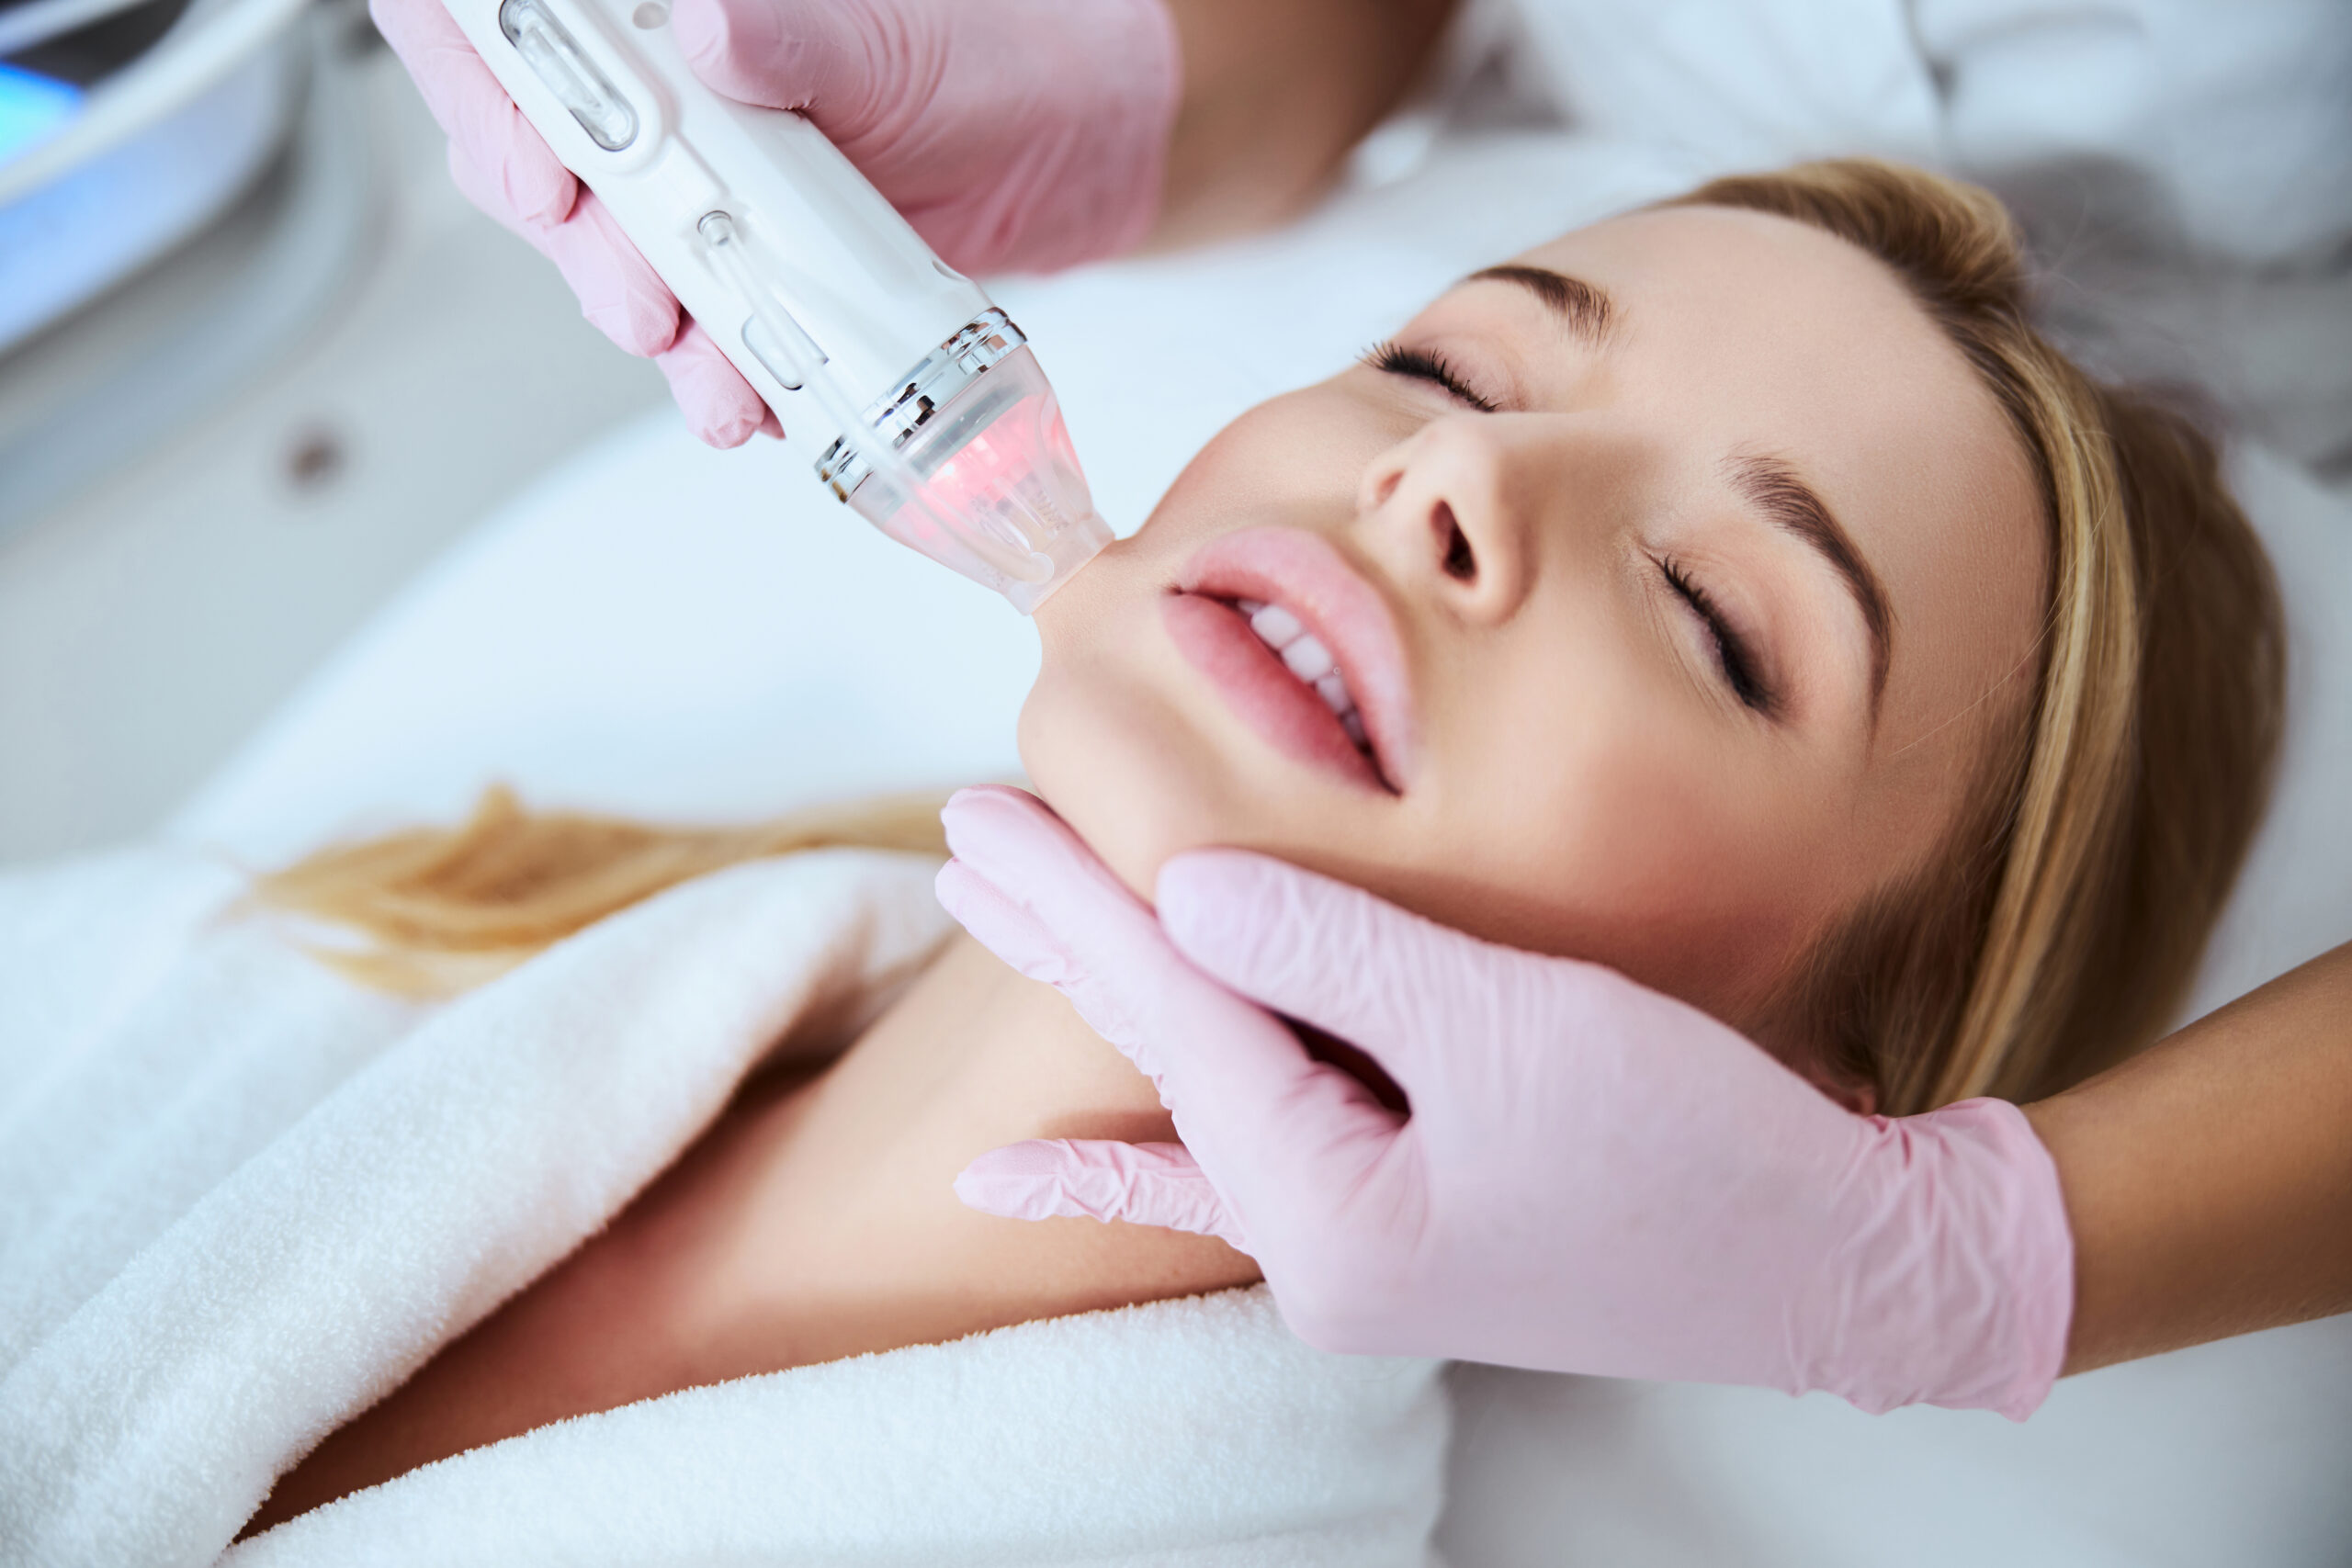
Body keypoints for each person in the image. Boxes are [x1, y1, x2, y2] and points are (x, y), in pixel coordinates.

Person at [371, 0, 2349, 1418]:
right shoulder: (376, 953)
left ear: (1783, 1117)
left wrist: (1952, 1259)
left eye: (1712, 619)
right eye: (1446, 368)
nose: (1451, 485)